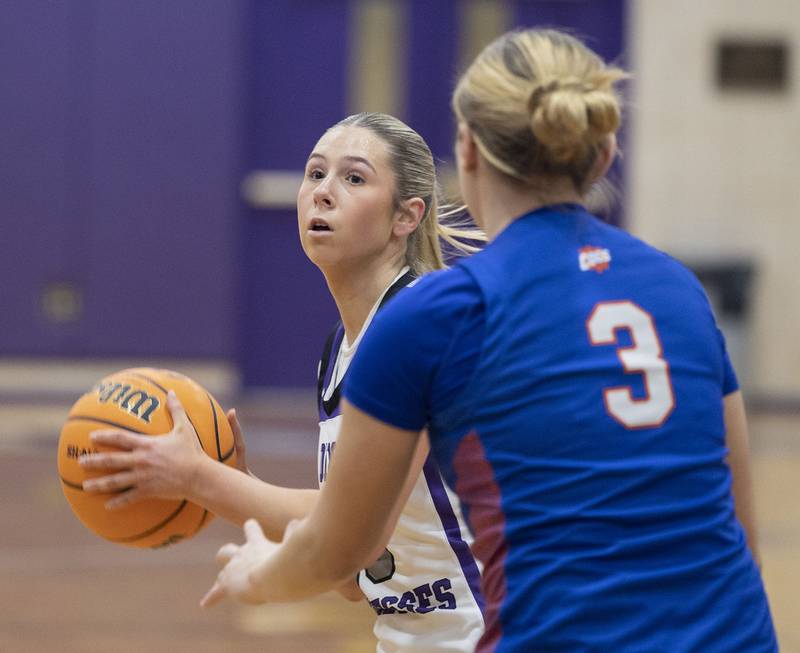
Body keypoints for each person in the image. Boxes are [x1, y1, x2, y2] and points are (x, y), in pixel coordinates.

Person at [200, 28, 778, 652]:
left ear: (467, 151)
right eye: (315, 173)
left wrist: (252, 567)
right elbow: (739, 535)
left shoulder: (441, 315)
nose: (322, 191)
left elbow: (342, 549)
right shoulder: (678, 290)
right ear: (605, 153)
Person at [80, 112, 486, 652]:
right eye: (315, 173)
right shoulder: (340, 351)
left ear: (406, 216)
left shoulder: (420, 325)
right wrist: (236, 482)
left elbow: (351, 536)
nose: (323, 192)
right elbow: (354, 577)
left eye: (354, 178)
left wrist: (199, 478)